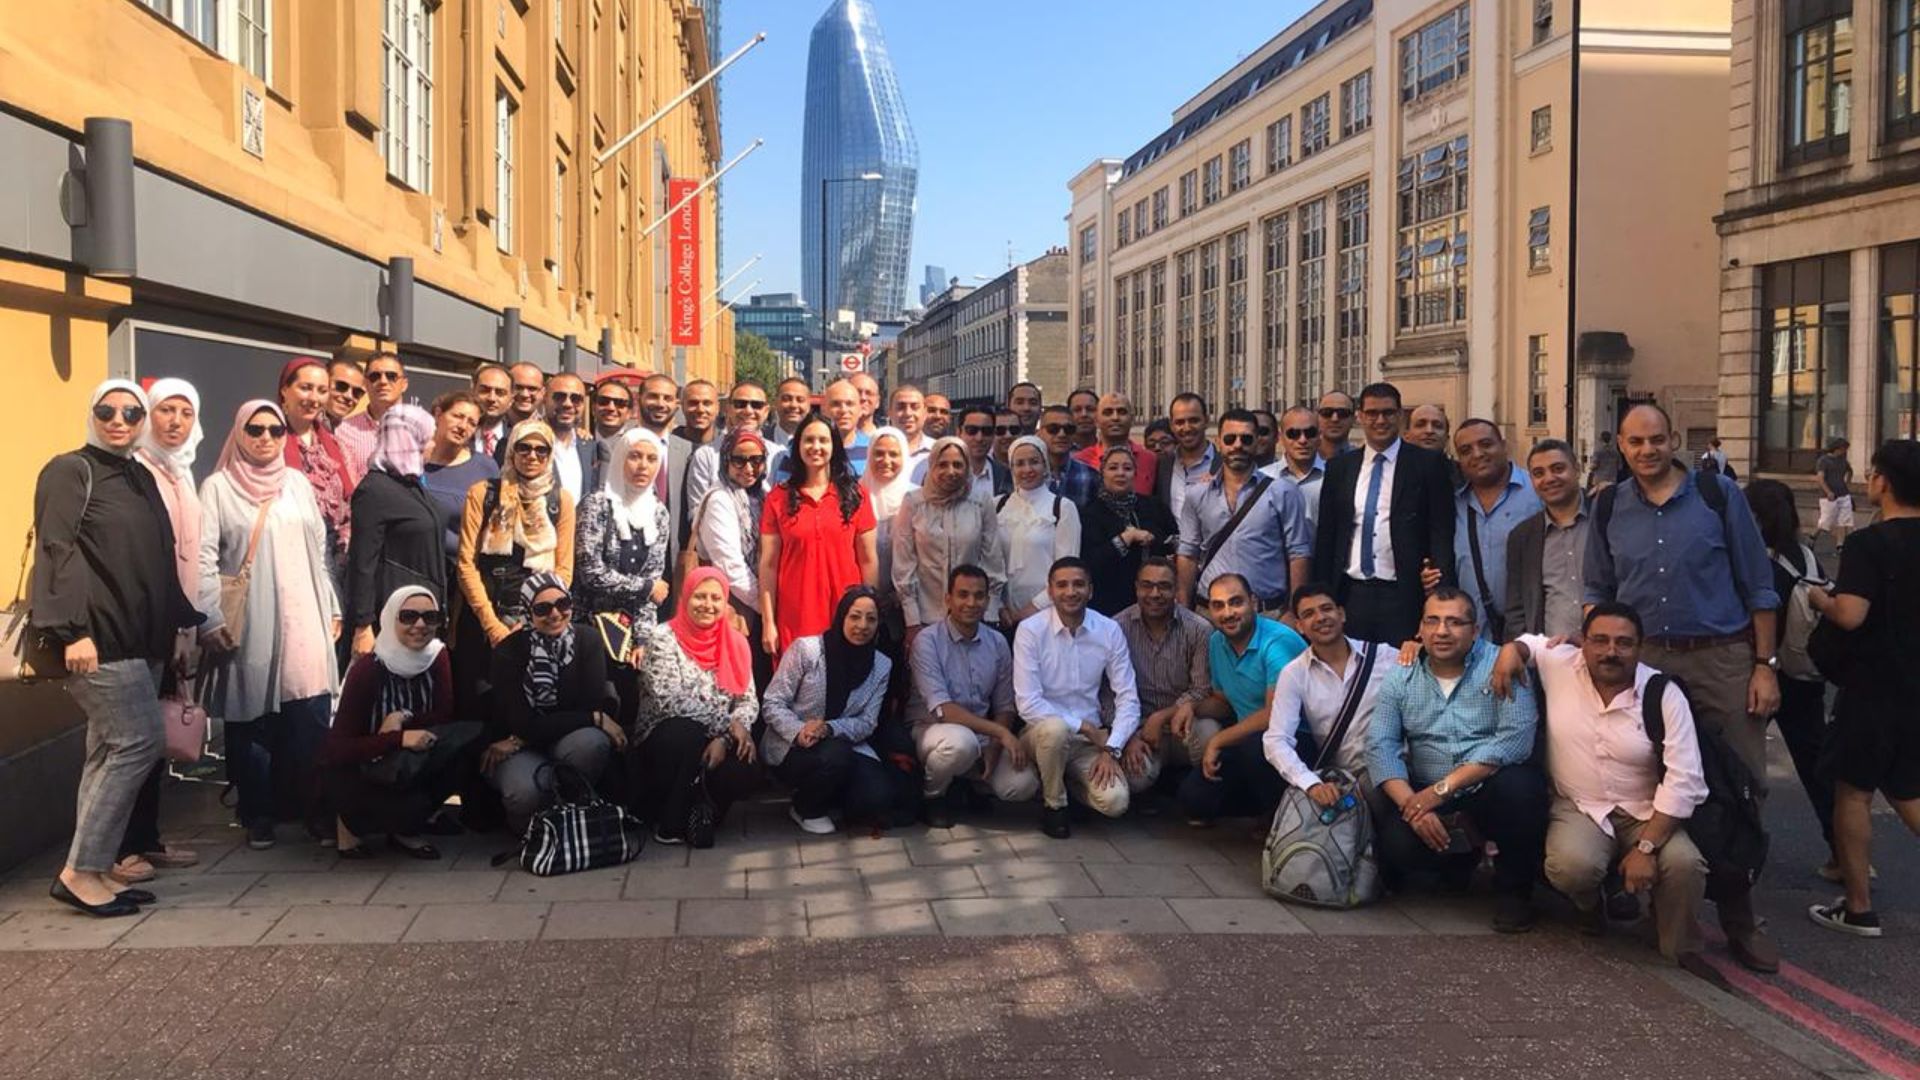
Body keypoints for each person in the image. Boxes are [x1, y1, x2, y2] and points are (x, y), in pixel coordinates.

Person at [1583, 402, 1781, 971]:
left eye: (1656, 440)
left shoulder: (1718, 497)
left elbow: (1758, 586)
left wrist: (1763, 664)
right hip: (1643, 661)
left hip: (1720, 658)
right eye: (1635, 442)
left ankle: (1742, 920)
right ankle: (1667, 911)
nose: (1647, 451)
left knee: (1739, 790)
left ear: (1674, 440)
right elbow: (1599, 586)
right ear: (1621, 446)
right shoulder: (1608, 508)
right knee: (1650, 783)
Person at [34, 381, 200, 917]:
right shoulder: (69, 469)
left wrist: (177, 626)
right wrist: (70, 629)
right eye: (107, 411)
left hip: (142, 639)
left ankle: (95, 865)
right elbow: (55, 550)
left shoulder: (137, 474)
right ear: (92, 414)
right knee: (137, 741)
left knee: (106, 750)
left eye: (132, 412)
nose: (120, 420)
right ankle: (80, 872)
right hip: (97, 639)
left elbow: (160, 553)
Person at [1495, 607, 1710, 962]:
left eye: (1623, 643)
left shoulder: (1663, 693)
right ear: (1583, 643)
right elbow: (1529, 644)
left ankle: (1678, 951)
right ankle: (1589, 904)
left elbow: (1684, 779)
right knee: (1571, 866)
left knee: (1685, 865)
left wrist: (1645, 849)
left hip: (1648, 811)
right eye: (1600, 641)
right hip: (1582, 806)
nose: (1610, 652)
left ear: (1640, 648)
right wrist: (1509, 653)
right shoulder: (1562, 663)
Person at [198, 400, 343, 849]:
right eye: (255, 430)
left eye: (275, 431)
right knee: (252, 721)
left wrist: (332, 605)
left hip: (304, 614)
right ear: (239, 433)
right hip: (251, 617)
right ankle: (258, 812)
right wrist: (209, 616)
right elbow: (204, 556)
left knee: (311, 718)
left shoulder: (297, 483)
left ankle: (314, 811)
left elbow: (320, 550)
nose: (265, 439)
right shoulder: (218, 487)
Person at [1365, 589, 1545, 932]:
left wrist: (1442, 791)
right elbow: (1380, 744)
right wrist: (1414, 806)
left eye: (1454, 622)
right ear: (1420, 627)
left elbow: (1516, 740)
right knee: (1397, 846)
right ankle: (1458, 861)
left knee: (1521, 787)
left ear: (1474, 631)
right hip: (1426, 792)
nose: (1442, 631)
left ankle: (1515, 892)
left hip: (1484, 789)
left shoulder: (1501, 666)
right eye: (1432, 620)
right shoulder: (1401, 675)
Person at [1806, 440, 1920, 938]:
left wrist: (1819, 598)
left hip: (1873, 684)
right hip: (1916, 684)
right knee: (1908, 788)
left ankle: (1858, 907)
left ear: (1882, 483)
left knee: (1852, 791)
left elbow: (1852, 614)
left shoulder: (1869, 545)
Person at [118, 377, 206, 881]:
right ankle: (120, 847)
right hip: (145, 628)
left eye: (185, 412)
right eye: (164, 410)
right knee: (133, 741)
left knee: (156, 739)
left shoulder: (180, 472)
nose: (174, 421)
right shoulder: (137, 472)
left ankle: (146, 839)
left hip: (177, 626)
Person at [322, 587, 483, 859]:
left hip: (406, 763)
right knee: (393, 803)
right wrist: (394, 739)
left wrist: (402, 720)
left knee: (465, 745)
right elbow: (337, 750)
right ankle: (348, 825)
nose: (419, 625)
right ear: (390, 619)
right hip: (364, 766)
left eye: (429, 617)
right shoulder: (368, 669)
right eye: (408, 617)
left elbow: (443, 715)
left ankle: (406, 827)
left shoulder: (436, 656)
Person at [1312, 382, 1457, 645]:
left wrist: (1441, 594)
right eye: (1372, 413)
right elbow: (1327, 535)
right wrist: (1321, 595)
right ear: (1360, 417)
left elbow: (1441, 531)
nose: (1380, 420)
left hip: (1404, 593)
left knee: (1402, 672)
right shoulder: (1340, 468)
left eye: (1388, 413)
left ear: (1400, 416)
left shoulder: (1427, 464)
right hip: (1350, 591)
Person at [1744, 479, 1838, 878]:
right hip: (1805, 675)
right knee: (1816, 768)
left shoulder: (1755, 562)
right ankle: (1845, 853)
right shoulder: (1804, 555)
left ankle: (1739, 852)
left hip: (1761, 673)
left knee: (1742, 766)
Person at [627, 567, 762, 845]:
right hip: (665, 737)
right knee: (686, 734)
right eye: (700, 596)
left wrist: (725, 740)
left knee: (745, 763)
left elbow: (747, 700)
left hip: (717, 738)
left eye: (716, 598)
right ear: (685, 597)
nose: (708, 605)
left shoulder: (736, 642)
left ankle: (705, 812)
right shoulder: (663, 637)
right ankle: (671, 821)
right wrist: (725, 726)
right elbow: (670, 698)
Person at [482, 573, 625, 835]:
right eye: (542, 608)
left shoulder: (588, 640)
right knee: (525, 791)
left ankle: (571, 817)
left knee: (591, 743)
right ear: (528, 612)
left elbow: (588, 703)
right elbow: (522, 722)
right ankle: (532, 831)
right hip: (515, 748)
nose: (555, 614)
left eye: (563, 603)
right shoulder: (508, 652)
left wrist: (525, 736)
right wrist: (595, 717)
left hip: (536, 741)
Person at [1013, 558, 1146, 838]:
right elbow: (1028, 703)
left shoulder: (1108, 630)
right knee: (1056, 729)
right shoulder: (1030, 630)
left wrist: (1112, 748)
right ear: (1050, 592)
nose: (1070, 592)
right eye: (1062, 585)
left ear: (1091, 590)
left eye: (1078, 584)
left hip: (1088, 744)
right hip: (1041, 733)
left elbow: (1128, 699)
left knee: (1116, 803)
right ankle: (1054, 805)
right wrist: (1085, 727)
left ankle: (1067, 785)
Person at [908, 565, 1039, 826]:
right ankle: (933, 795)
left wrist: (995, 743)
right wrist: (1000, 733)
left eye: (979, 596)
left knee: (1023, 785)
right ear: (948, 599)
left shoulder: (997, 642)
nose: (971, 602)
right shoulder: (927, 641)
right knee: (960, 744)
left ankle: (972, 785)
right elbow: (944, 709)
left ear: (987, 600)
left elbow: (1004, 705)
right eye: (963, 594)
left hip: (979, 733)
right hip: (932, 729)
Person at [762, 587, 898, 834]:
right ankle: (806, 808)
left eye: (871, 619)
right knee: (835, 756)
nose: (862, 625)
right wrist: (799, 730)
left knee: (876, 799)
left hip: (843, 742)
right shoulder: (807, 650)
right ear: (842, 617)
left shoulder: (881, 665)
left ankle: (831, 794)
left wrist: (829, 728)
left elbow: (868, 722)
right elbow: (773, 702)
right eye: (854, 616)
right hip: (793, 745)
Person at [1178, 574, 1306, 825]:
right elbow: (1223, 702)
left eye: (1236, 602)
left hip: (1296, 739)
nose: (1228, 613)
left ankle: (1283, 816)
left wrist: (1218, 741)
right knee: (1193, 800)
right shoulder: (1217, 642)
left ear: (1254, 603)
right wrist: (1189, 706)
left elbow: (1274, 715)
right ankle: (1263, 806)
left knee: (1255, 748)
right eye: (1218, 605)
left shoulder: (1277, 642)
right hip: (1249, 741)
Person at [455, 419, 576, 682]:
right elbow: (466, 564)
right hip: (483, 617)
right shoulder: (483, 494)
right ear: (512, 450)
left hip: (538, 620)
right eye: (524, 448)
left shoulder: (560, 501)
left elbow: (563, 569)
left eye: (541, 450)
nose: (532, 456)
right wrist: (493, 626)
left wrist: (536, 619)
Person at [1264, 584, 1399, 804]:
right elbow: (1276, 740)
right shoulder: (1294, 673)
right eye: (1309, 614)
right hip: (1344, 781)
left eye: (1326, 608)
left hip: (1396, 768)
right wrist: (1310, 782)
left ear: (1341, 614)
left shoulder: (1385, 657)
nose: (1320, 618)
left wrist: (1416, 649)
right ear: (1299, 626)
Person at [758, 412, 879, 655]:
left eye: (823, 440)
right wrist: (768, 623)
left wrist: (870, 613)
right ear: (798, 446)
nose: (816, 447)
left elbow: (868, 560)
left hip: (847, 613)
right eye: (808, 440)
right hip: (796, 613)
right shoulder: (778, 498)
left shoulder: (856, 495)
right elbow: (768, 565)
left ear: (834, 446)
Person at [1176, 409, 1311, 613]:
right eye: (1230, 439)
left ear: (1257, 442)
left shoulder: (1284, 492)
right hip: (1210, 614)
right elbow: (1188, 554)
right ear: (1219, 442)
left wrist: (1294, 612)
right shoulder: (1196, 494)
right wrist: (1185, 610)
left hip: (1267, 614)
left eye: (1246, 439)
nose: (1237, 445)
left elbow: (1299, 554)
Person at [345, 404, 444, 658]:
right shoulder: (375, 490)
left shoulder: (411, 485)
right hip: (393, 621)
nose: (433, 445)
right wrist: (362, 625)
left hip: (421, 619)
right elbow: (362, 562)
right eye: (428, 438)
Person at [893, 437, 1007, 647]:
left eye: (958, 464)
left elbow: (992, 558)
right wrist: (912, 621)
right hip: (927, 616)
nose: (951, 471)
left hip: (972, 614)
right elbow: (904, 564)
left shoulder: (981, 502)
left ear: (967, 467)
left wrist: (990, 613)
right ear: (931, 465)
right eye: (942, 464)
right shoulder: (913, 503)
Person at [1114, 557, 1214, 782]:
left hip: (1184, 724)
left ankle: (1193, 788)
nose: (1155, 594)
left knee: (1210, 734)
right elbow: (1108, 693)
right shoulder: (1116, 628)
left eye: (1164, 586)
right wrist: (1127, 737)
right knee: (1134, 781)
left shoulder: (1199, 629)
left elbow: (1201, 689)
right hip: (1138, 729)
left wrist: (1161, 716)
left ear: (1177, 589)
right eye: (1147, 585)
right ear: (1136, 588)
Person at [694, 427, 774, 689]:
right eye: (739, 460)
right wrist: (767, 607)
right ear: (725, 460)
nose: (748, 468)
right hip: (734, 604)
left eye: (756, 460)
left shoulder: (762, 495)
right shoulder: (720, 499)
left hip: (755, 605)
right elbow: (730, 566)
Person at [1452, 419, 1542, 643]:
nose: (1477, 454)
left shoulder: (1537, 491)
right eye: (1466, 450)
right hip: (1474, 640)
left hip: (1531, 634)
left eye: (1486, 444)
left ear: (1504, 445)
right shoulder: (1454, 504)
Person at [576, 428, 672, 630]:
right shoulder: (597, 504)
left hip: (631, 631)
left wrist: (643, 637)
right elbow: (591, 573)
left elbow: (653, 579)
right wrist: (645, 587)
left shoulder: (659, 513)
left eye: (652, 459)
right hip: (590, 626)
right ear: (620, 458)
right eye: (635, 456)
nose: (643, 466)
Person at [1502, 440, 1589, 641]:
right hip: (1552, 657)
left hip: (1609, 655)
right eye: (1539, 473)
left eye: (1558, 469)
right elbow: (1516, 608)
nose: (1549, 478)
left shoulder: (1604, 517)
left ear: (1576, 469)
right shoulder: (1523, 536)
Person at [1080, 443, 1179, 616]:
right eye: (1113, 468)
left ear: (1135, 473)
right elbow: (1090, 562)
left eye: (1127, 468)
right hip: (1109, 605)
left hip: (1156, 601)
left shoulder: (1154, 506)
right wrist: (1126, 538)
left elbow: (1174, 542)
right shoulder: (1090, 513)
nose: (1120, 473)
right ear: (1102, 473)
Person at [277, 358, 355, 577]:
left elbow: (349, 505)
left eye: (322, 390)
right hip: (286, 561)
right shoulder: (269, 442)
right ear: (285, 390)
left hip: (334, 565)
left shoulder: (337, 447)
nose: (313, 398)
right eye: (305, 388)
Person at [997, 436, 1082, 631]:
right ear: (1011, 468)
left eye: (1034, 462)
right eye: (1020, 463)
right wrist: (1000, 607)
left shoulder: (1062, 508)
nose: (1027, 470)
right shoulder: (998, 506)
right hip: (1003, 616)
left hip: (1047, 613)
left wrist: (1030, 609)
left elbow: (1066, 568)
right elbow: (991, 562)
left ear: (1045, 465)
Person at [419, 391, 498, 571]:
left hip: (460, 572)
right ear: (438, 414)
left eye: (472, 423)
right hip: (415, 568)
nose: (463, 426)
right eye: (457, 416)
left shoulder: (485, 467)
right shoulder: (410, 461)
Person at [862, 426, 918, 645]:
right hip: (863, 604)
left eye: (893, 454)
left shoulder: (916, 498)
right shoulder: (856, 496)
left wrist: (897, 596)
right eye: (879, 453)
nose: (886, 460)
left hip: (908, 605)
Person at [685, 380, 773, 515]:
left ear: (766, 411)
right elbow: (696, 513)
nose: (748, 411)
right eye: (740, 404)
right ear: (727, 408)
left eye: (756, 405)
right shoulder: (705, 456)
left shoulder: (778, 455)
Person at [333, 353, 409, 483]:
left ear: (404, 384)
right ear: (366, 384)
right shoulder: (342, 431)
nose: (383, 381)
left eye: (391, 376)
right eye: (375, 376)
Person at [1073, 392, 1157, 496]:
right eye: (1108, 412)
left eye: (1122, 412)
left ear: (1132, 418)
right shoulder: (1080, 461)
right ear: (1096, 420)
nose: (1115, 418)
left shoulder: (1150, 459)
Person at [1261, 405, 1326, 533]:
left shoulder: (1336, 476)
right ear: (1280, 438)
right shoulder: (1263, 478)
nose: (1302, 440)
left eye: (1310, 433)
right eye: (1293, 434)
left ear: (1319, 436)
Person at [1154, 393, 1216, 522]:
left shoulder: (1224, 465)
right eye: (1180, 422)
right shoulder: (1161, 466)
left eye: (1194, 420)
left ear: (1206, 421)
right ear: (1171, 426)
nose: (1187, 428)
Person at [543, 374, 596, 500]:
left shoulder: (589, 447)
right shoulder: (527, 443)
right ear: (544, 398)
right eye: (559, 397)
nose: (567, 404)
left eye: (576, 399)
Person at [1038, 404, 1099, 506]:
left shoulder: (1091, 475)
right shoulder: (1027, 473)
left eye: (1068, 429)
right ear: (1040, 433)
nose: (1062, 434)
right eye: (1053, 429)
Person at [958, 407, 1013, 499]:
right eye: (972, 430)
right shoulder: (943, 473)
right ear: (959, 433)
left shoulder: (1007, 475)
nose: (979, 438)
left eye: (987, 431)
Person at [822, 378, 871, 476]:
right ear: (824, 410)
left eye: (849, 404)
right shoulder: (806, 448)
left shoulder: (873, 448)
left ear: (860, 410)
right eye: (836, 404)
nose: (843, 410)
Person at [1814, 438, 1854, 549]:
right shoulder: (1824, 461)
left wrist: (1847, 483)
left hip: (1843, 493)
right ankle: (1813, 536)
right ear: (1837, 449)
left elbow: (1850, 471)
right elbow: (1820, 478)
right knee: (1826, 520)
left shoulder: (1843, 460)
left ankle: (1840, 544)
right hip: (1829, 495)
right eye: (1843, 449)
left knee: (1844, 519)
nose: (1845, 451)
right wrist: (1828, 491)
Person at [469, 363, 515, 458]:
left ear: (511, 400)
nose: (491, 398)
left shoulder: (516, 439)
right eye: (484, 390)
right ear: (473, 392)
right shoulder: (456, 434)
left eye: (500, 393)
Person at [889, 384, 932, 475]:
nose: (908, 413)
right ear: (890, 412)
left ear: (925, 413)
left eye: (915, 407)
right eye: (900, 407)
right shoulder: (875, 450)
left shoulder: (938, 450)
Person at [675, 379, 721, 447]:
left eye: (707, 403)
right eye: (693, 403)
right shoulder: (668, 444)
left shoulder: (729, 446)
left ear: (717, 408)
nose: (700, 410)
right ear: (682, 406)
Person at [326, 360, 368, 431]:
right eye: (341, 386)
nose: (349, 396)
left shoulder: (350, 434)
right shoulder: (303, 424)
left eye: (357, 392)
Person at [1316, 390, 1358, 460]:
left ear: (1353, 419)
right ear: (1317, 417)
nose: (1334, 419)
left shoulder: (1363, 461)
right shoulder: (1301, 459)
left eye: (1342, 413)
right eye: (1327, 412)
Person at [589, 377, 635, 441]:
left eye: (620, 403)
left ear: (629, 413)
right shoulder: (579, 442)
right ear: (593, 408)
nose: (611, 408)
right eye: (603, 401)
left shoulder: (638, 444)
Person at [771, 377, 811, 448]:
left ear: (809, 405)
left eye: (800, 400)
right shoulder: (761, 439)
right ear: (775, 403)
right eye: (786, 399)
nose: (793, 405)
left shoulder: (818, 442)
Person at [506, 362, 547, 429]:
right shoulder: (489, 425)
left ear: (543, 392)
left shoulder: (551, 431)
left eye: (532, 389)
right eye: (518, 388)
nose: (524, 395)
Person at [850, 372, 883, 436]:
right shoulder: (832, 438)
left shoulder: (887, 438)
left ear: (877, 402)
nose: (863, 398)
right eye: (858, 392)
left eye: (868, 393)